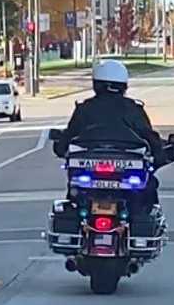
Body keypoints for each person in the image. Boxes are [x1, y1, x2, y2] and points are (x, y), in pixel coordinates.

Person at [54, 60, 167, 212]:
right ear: (123, 85)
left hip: (87, 173)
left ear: (96, 84)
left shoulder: (85, 108)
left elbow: (67, 137)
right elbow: (149, 136)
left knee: (75, 193)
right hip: (125, 175)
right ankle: (145, 226)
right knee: (148, 190)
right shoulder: (133, 109)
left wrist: (60, 145)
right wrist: (159, 152)